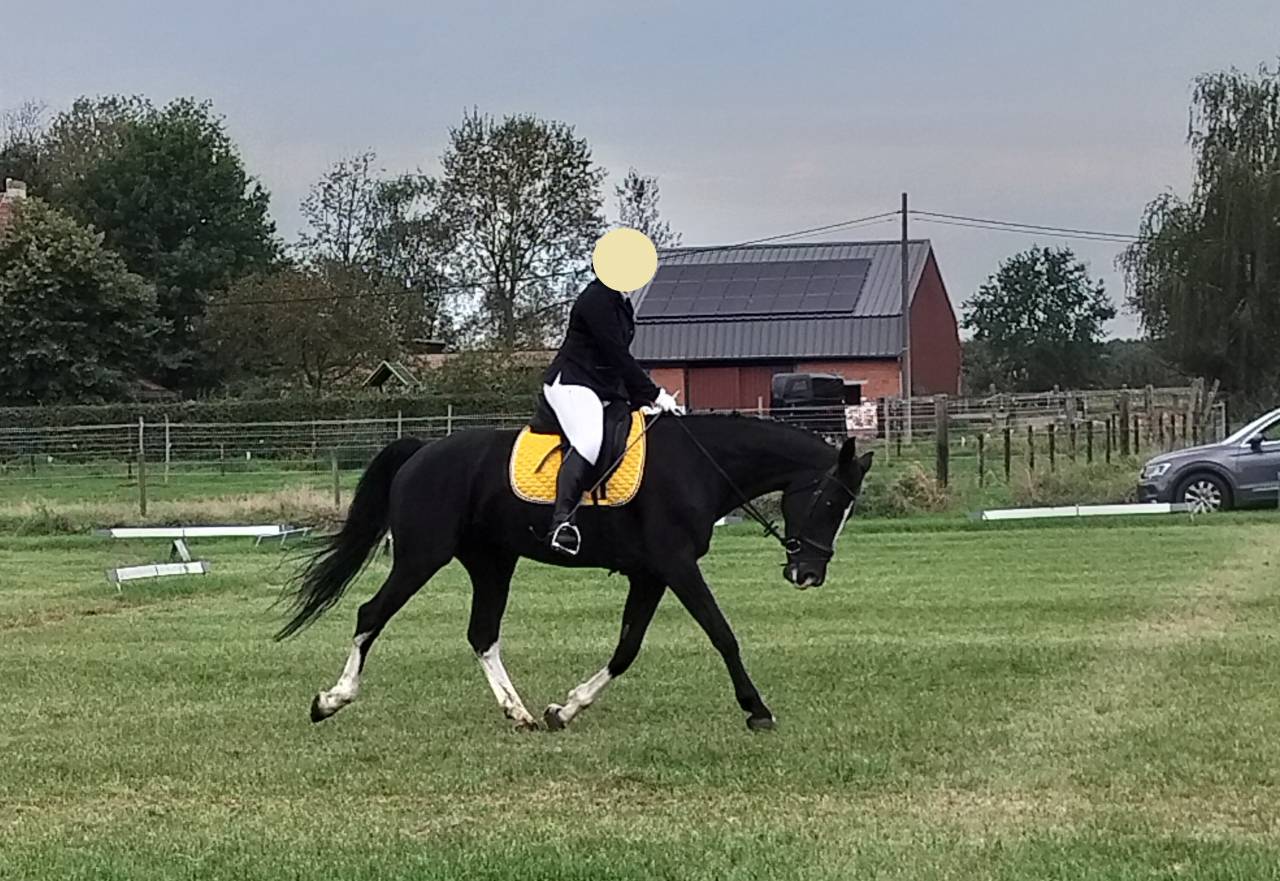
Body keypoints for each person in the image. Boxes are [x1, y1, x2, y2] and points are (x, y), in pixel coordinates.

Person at [541, 275, 682, 555]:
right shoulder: (596, 299)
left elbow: (615, 362)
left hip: (602, 386)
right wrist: (653, 393)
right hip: (572, 383)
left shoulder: (620, 301)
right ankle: (562, 523)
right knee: (589, 440)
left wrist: (641, 399)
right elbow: (616, 353)